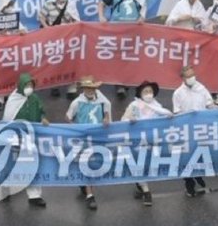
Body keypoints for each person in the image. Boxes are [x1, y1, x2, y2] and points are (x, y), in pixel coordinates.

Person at [121, 80, 173, 206]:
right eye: (145, 91)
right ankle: (146, 191)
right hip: (138, 143)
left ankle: (140, 186)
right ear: (140, 94)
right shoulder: (134, 106)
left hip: (154, 142)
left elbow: (165, 120)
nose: (148, 93)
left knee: (149, 167)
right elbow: (123, 120)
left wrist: (169, 117)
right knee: (139, 166)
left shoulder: (158, 107)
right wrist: (130, 120)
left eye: (150, 91)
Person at [1, 74, 49, 207]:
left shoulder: (34, 98)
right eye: (27, 85)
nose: (29, 88)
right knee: (11, 163)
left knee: (32, 164)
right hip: (16, 137)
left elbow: (41, 111)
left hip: (31, 137)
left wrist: (43, 117)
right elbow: (7, 118)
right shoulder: (13, 99)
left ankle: (34, 195)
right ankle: (6, 187)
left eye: (31, 86)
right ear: (21, 85)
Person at [66, 78, 111, 208]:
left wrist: (106, 118)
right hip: (84, 140)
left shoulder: (103, 102)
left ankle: (85, 186)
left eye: (92, 88)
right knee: (87, 165)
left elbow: (106, 114)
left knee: (94, 165)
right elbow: (68, 117)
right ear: (83, 89)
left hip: (97, 138)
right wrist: (76, 128)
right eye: (87, 88)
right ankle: (90, 196)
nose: (90, 91)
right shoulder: (76, 103)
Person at [172, 66, 216, 196]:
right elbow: (177, 112)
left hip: (201, 129)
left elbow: (209, 104)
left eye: (193, 75)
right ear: (183, 78)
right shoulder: (178, 93)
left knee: (200, 155)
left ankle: (198, 175)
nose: (191, 78)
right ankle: (189, 184)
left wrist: (215, 108)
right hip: (186, 131)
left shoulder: (202, 89)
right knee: (186, 158)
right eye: (188, 76)